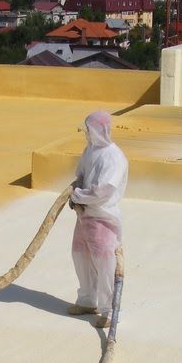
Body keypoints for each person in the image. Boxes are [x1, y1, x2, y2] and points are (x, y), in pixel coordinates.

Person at [67, 111, 128, 329]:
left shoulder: (113, 157)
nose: (86, 133)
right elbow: (81, 175)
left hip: (102, 216)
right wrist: (76, 189)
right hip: (84, 214)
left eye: (88, 129)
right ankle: (87, 300)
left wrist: (79, 196)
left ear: (97, 130)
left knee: (104, 263)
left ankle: (110, 310)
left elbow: (105, 189)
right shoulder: (90, 151)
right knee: (80, 255)